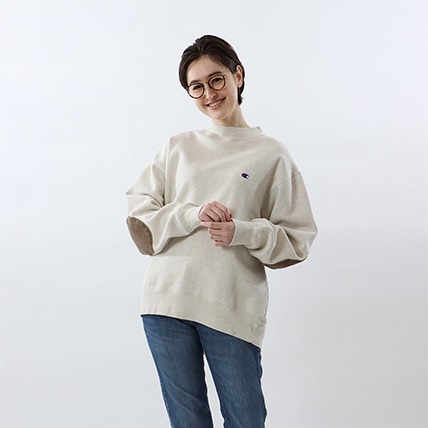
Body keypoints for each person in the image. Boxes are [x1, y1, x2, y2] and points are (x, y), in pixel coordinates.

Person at [126, 34, 317, 428]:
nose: (209, 94)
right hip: (167, 302)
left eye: (216, 79)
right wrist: (192, 214)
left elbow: (297, 239)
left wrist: (241, 232)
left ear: (238, 76)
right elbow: (140, 216)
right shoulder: (177, 147)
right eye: (196, 86)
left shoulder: (271, 154)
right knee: (188, 422)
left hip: (231, 306)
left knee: (246, 419)